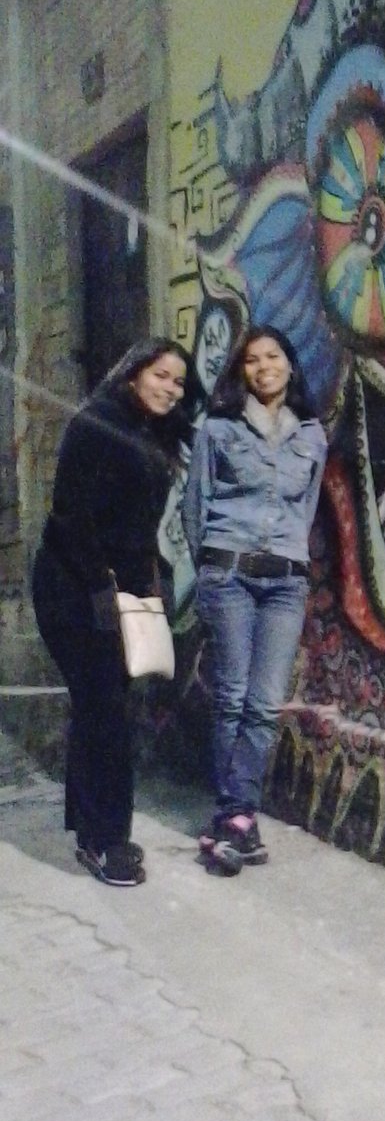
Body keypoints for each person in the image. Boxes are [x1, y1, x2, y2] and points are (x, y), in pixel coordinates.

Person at [32, 337, 190, 886]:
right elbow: (71, 515)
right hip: (71, 585)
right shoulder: (97, 421)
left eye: (179, 382)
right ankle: (107, 840)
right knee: (106, 711)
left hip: (117, 588)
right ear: (133, 372)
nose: (171, 388)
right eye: (162, 375)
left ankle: (89, 830)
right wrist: (103, 592)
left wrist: (151, 582)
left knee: (100, 705)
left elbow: (139, 526)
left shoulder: (153, 434)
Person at [182, 324, 327, 870]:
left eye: (272, 356)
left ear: (289, 364)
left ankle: (229, 821)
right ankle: (238, 815)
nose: (263, 366)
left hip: (285, 582)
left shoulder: (311, 435)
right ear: (240, 371)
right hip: (231, 576)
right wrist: (213, 568)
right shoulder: (217, 429)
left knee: (265, 704)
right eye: (251, 359)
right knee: (233, 695)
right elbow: (196, 508)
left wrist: (291, 559)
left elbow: (304, 510)